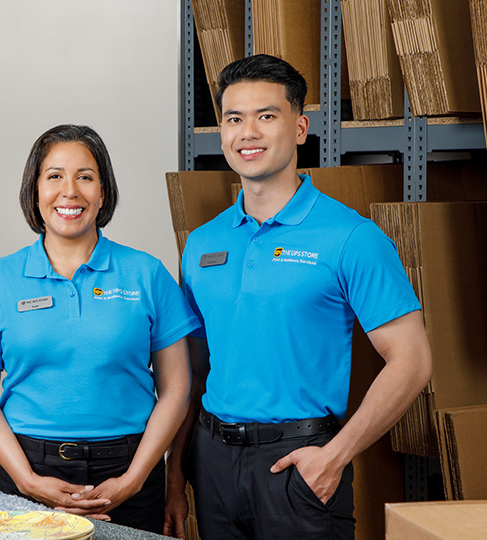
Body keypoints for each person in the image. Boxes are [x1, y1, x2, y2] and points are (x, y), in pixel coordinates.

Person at [164, 55, 433, 540]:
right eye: (234, 119)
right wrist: (175, 475)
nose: (248, 132)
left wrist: (335, 455)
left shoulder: (352, 237)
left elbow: (411, 361)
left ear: (300, 127)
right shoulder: (203, 243)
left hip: (299, 462)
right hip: (212, 462)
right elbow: (193, 369)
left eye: (266, 116)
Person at [0, 124, 199, 533]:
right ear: (35, 191)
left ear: (103, 192)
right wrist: (27, 481)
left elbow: (177, 390)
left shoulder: (147, 274)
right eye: (54, 177)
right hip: (27, 466)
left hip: (131, 468)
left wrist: (133, 480)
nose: (70, 191)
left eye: (85, 177)